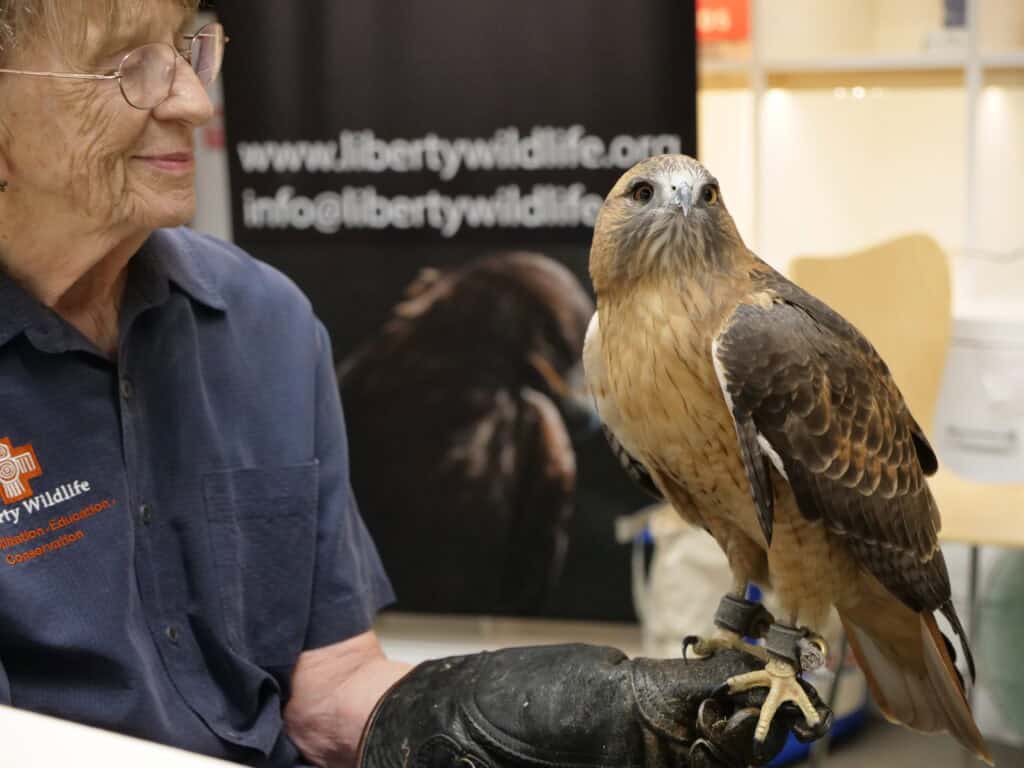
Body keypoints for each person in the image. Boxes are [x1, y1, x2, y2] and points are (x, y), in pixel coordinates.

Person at [0, 2, 830, 766]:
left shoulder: (266, 325)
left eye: (191, 49)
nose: (195, 104)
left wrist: (543, 717)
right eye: (129, 66)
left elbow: (325, 694)